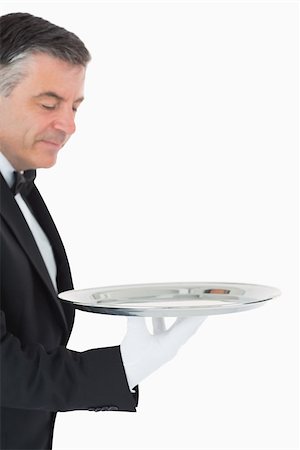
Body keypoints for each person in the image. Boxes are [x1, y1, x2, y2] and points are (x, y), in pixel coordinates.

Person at [0, 12, 206, 450]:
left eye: (74, 107)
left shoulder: (21, 182)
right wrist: (123, 368)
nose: (69, 125)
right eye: (49, 103)